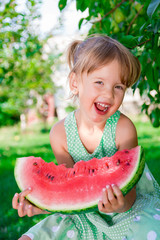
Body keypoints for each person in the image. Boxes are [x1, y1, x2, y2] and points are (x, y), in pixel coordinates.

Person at [12, 34, 160, 240]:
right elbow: (69, 192)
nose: (109, 95)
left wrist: (120, 204)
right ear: (75, 82)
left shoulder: (124, 128)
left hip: (127, 212)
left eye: (118, 87)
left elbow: (130, 197)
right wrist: (42, 205)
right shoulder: (60, 134)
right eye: (99, 82)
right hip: (83, 215)